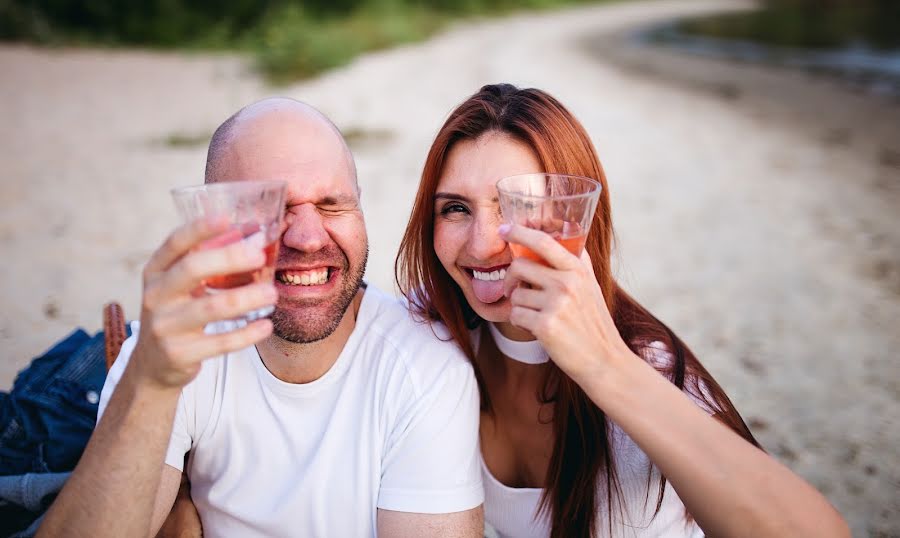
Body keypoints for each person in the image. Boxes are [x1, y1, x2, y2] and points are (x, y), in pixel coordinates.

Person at [395, 83, 851, 538]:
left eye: (518, 207)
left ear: (576, 217)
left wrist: (604, 367)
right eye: (455, 208)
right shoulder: (427, 330)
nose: (481, 244)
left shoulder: (652, 368)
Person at [38, 97, 484, 537]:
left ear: (359, 208)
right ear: (214, 221)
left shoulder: (425, 369)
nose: (309, 238)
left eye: (331, 204)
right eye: (271, 209)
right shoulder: (170, 351)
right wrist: (151, 384)